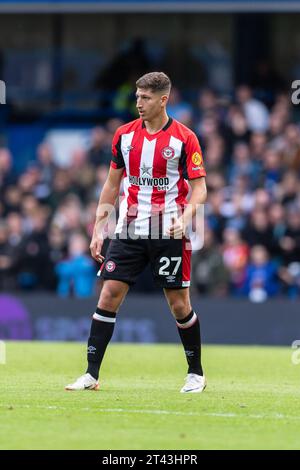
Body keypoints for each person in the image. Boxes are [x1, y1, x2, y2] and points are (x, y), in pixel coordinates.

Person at [65, 72, 207, 393]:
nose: (139, 103)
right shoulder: (124, 136)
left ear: (163, 100)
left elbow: (200, 189)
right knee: (108, 294)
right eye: (137, 97)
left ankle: (195, 373)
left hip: (169, 231)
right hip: (129, 229)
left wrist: (186, 219)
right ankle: (91, 374)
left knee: (179, 304)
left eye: (145, 98)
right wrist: (98, 228)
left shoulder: (185, 139)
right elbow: (112, 184)